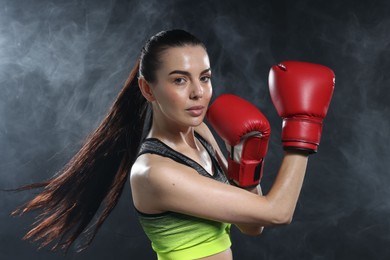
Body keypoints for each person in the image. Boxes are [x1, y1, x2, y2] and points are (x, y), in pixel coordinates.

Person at [12, 29, 334, 259]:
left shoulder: (203, 135)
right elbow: (277, 213)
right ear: (148, 89)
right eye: (180, 80)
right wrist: (302, 127)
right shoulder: (155, 172)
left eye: (204, 78)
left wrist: (245, 163)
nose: (198, 93)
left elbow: (253, 227)